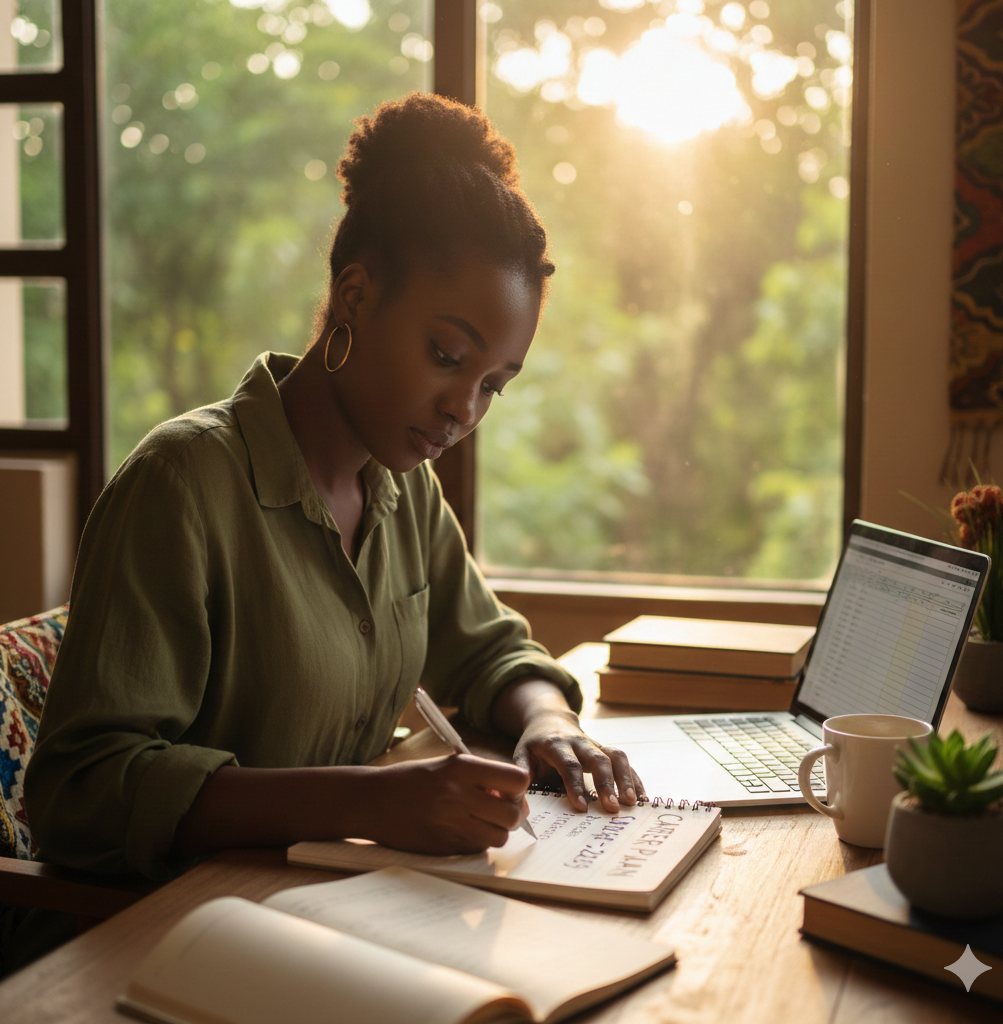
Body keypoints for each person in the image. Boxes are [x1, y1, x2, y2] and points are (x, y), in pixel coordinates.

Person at [21, 92, 645, 912]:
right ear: (353, 297)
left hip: (326, 910)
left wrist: (548, 723)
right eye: (446, 355)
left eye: (493, 384)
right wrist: (369, 801)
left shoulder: (402, 488)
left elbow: (490, 652)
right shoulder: (181, 484)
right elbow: (82, 791)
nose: (465, 410)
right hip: (163, 935)